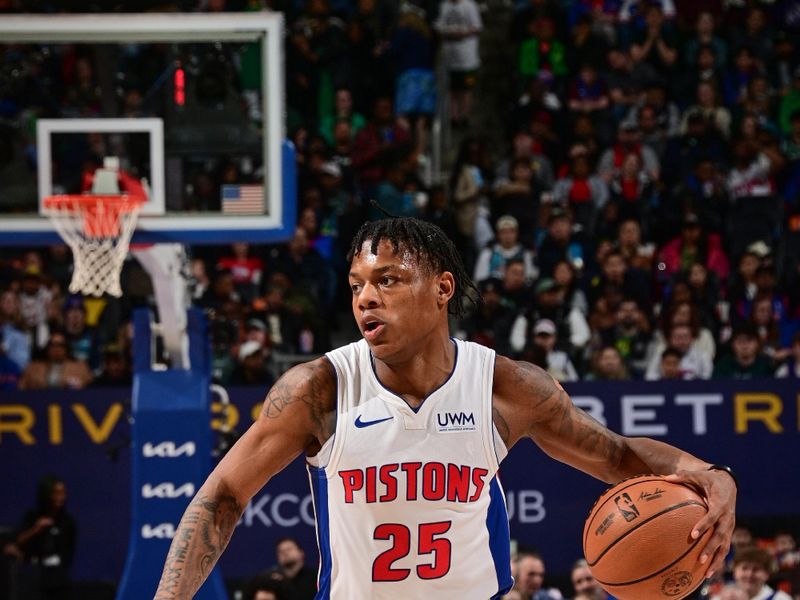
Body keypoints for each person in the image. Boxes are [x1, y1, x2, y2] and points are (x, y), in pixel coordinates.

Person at [153, 217, 737, 599]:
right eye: (357, 284)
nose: (366, 297)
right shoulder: (320, 388)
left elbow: (619, 455)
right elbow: (221, 498)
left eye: (388, 279)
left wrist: (707, 475)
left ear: (443, 288)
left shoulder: (504, 387)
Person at [4, 476, 77, 600]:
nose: (61, 497)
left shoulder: (68, 522)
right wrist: (36, 530)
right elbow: (16, 543)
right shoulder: (32, 517)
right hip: (32, 577)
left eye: (63, 493)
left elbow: (68, 553)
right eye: (56, 493)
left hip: (57, 580)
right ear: (46, 495)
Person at [711, 547, 793, 600]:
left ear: (767, 574)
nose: (749, 574)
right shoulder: (720, 597)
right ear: (734, 571)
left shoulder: (781, 598)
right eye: (744, 568)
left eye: (756, 569)